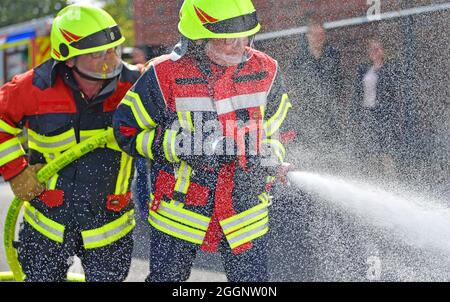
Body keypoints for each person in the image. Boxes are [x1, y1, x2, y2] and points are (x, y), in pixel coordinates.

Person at [113, 0, 292, 282]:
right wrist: (184, 146)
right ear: (197, 39)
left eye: (244, 35)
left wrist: (271, 157)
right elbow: (126, 130)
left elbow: (279, 131)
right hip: (179, 213)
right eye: (226, 38)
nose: (238, 44)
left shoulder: (267, 70)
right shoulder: (162, 75)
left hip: (245, 211)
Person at [0, 4, 141, 281]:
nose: (109, 61)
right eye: (97, 54)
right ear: (68, 58)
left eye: (113, 50)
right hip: (46, 226)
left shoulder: (136, 85)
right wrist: (16, 171)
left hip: (109, 228)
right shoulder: (33, 89)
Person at [287, 19, 344, 172]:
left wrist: (332, 104)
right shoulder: (300, 60)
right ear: (307, 36)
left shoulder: (333, 56)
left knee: (331, 151)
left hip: (329, 115)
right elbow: (295, 87)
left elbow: (339, 84)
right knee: (311, 150)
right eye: (315, 34)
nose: (319, 37)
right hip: (308, 115)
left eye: (322, 34)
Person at [349, 38, 402, 180]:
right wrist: (354, 115)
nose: (374, 52)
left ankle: (391, 183)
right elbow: (357, 94)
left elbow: (392, 93)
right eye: (372, 49)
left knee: (385, 151)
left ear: (383, 51)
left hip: (383, 116)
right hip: (368, 114)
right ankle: (374, 182)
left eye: (377, 49)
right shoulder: (364, 69)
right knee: (370, 151)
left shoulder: (390, 69)